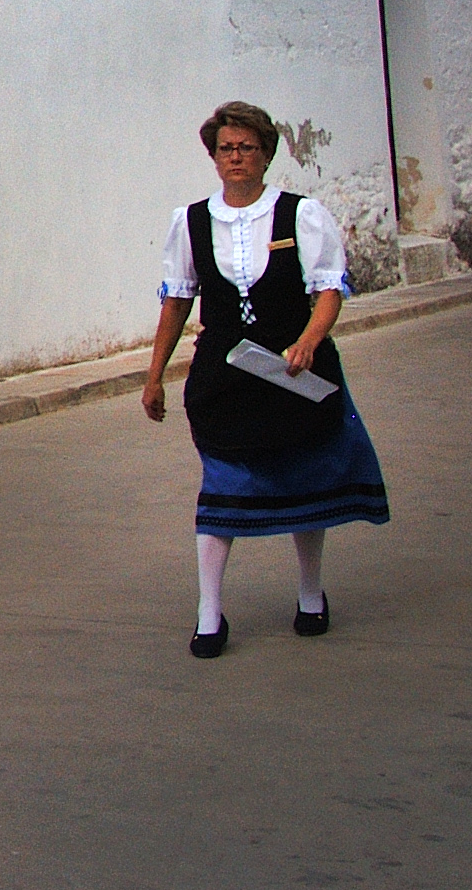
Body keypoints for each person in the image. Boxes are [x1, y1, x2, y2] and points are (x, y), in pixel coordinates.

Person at [141, 99, 390, 657]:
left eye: (247, 148)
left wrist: (309, 339)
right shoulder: (191, 221)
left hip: (294, 374)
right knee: (223, 483)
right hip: (223, 381)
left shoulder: (301, 215)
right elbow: (177, 301)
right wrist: (154, 376)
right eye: (226, 148)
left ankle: (310, 593)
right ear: (213, 155)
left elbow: (328, 288)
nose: (236, 157)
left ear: (266, 154)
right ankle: (209, 613)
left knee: (304, 477)